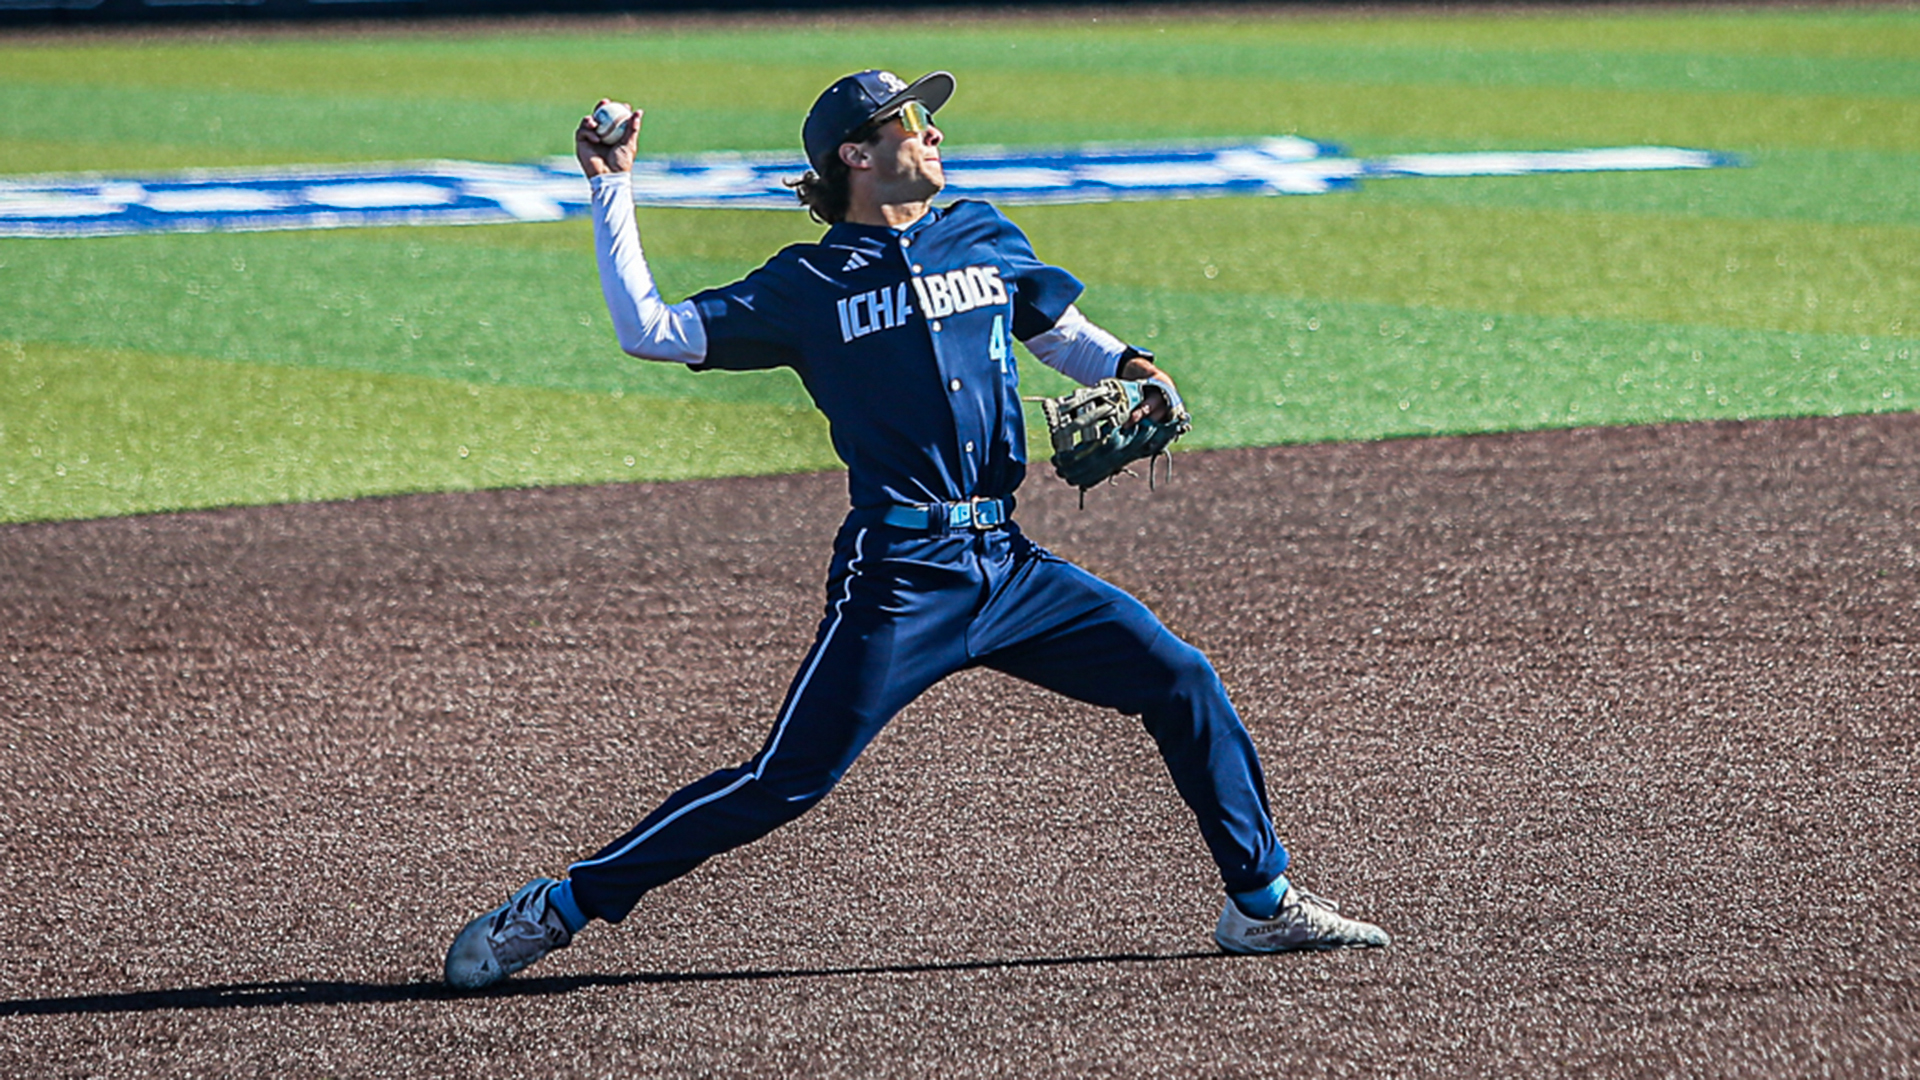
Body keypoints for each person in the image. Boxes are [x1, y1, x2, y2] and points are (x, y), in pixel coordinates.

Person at [444, 70, 1389, 989]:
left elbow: (1056, 328)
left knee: (1179, 677)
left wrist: (1137, 366)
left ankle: (1259, 902)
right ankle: (560, 906)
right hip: (901, 572)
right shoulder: (806, 283)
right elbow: (651, 328)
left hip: (1010, 566)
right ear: (856, 153)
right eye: (911, 121)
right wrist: (612, 189)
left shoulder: (979, 234)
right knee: (786, 780)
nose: (933, 133)